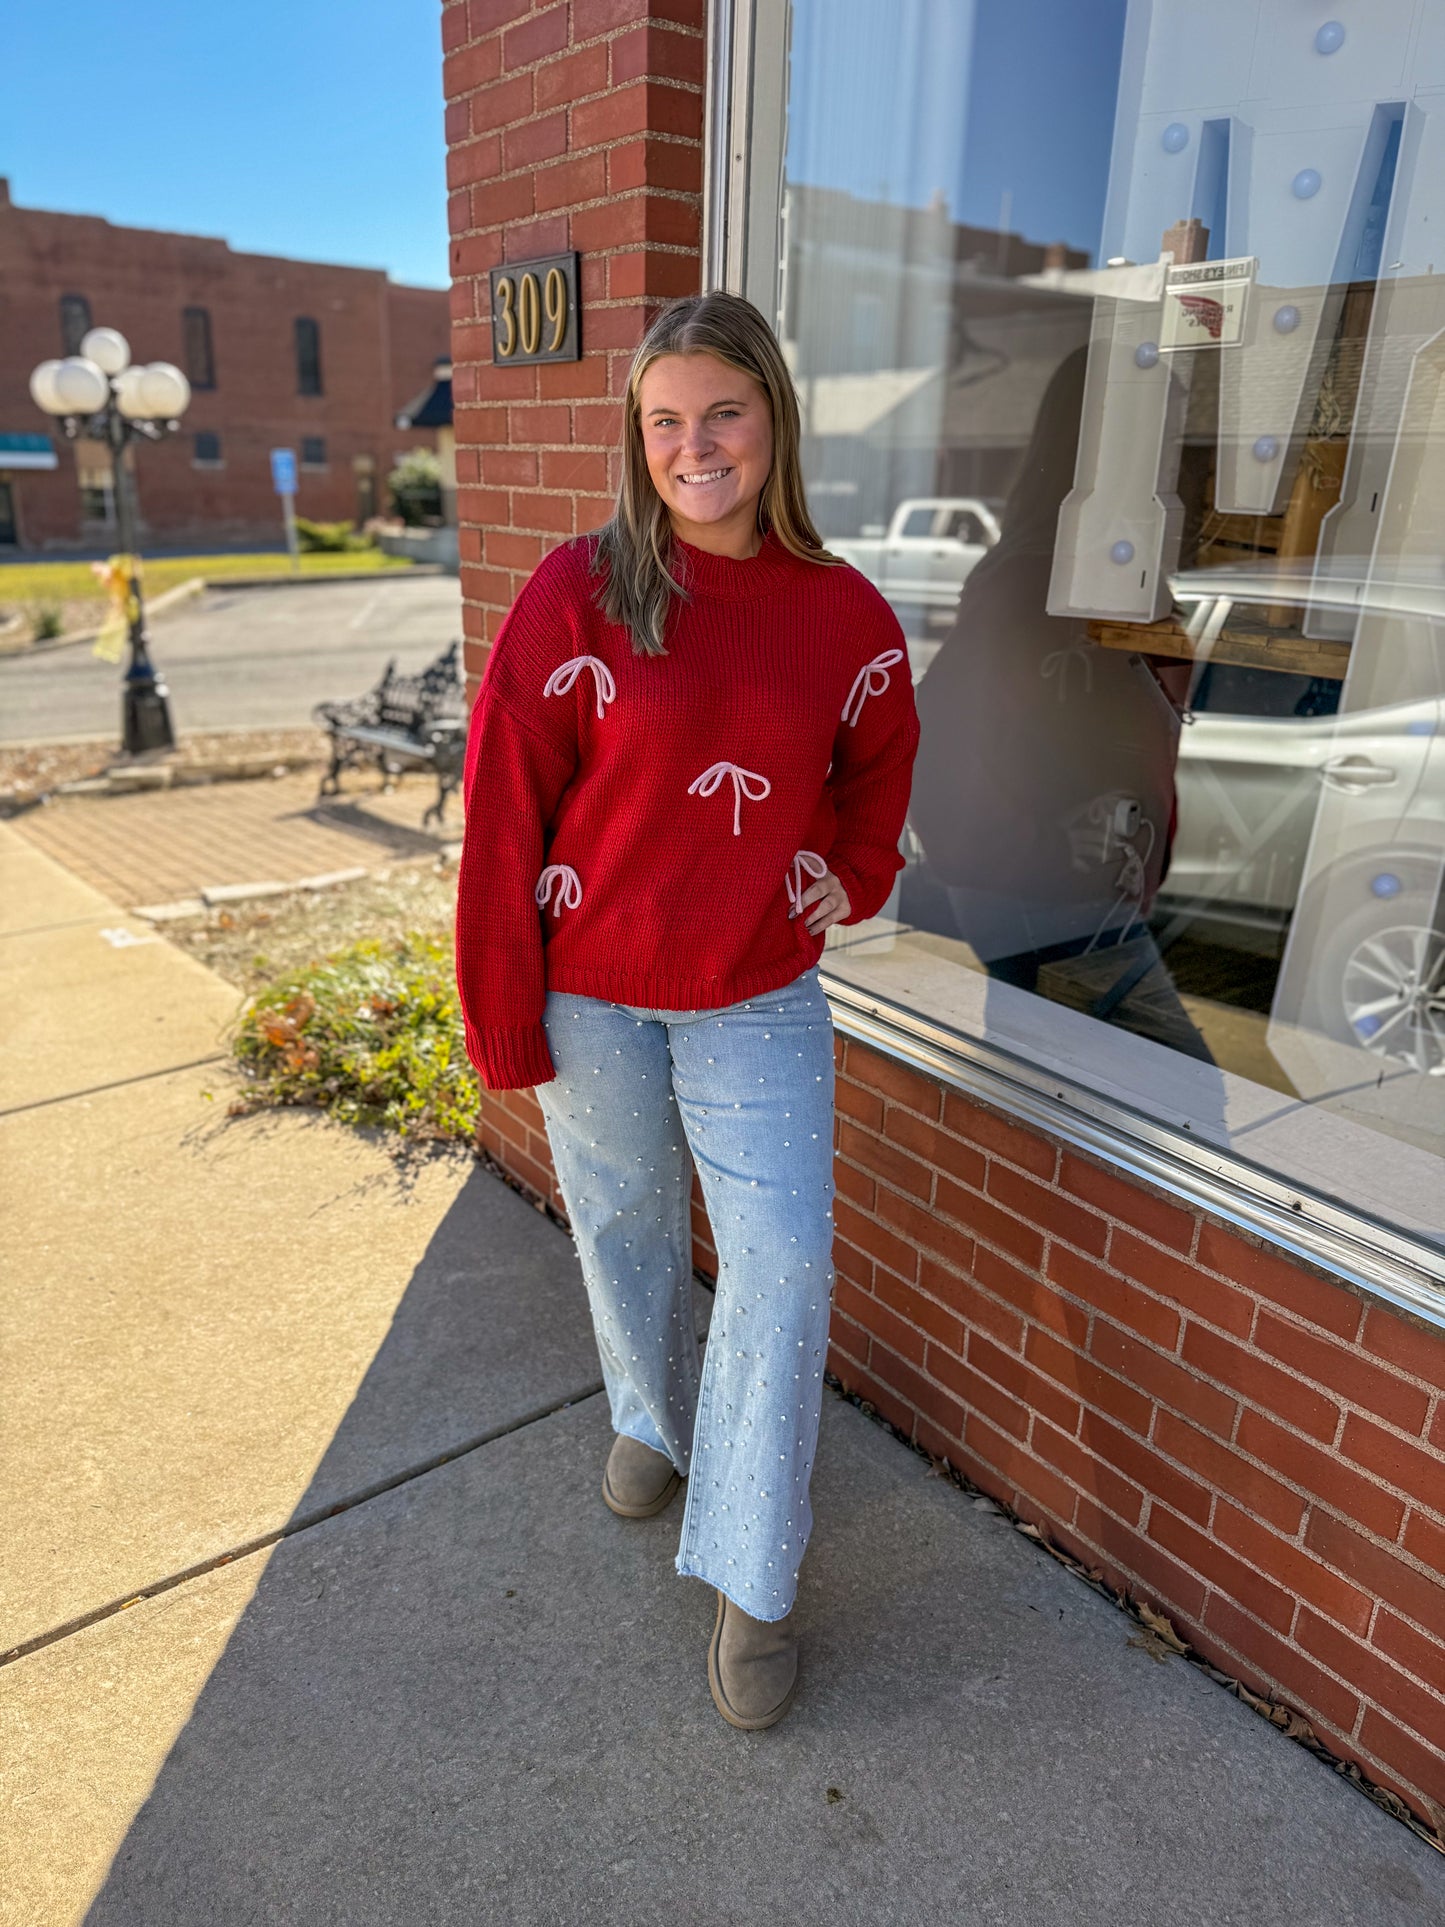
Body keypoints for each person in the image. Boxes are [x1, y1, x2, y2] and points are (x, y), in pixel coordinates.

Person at [453, 290, 920, 1730]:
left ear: (771, 419)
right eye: (663, 421)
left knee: (778, 1265)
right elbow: (502, 816)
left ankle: (751, 1576)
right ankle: (647, 1419)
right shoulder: (576, 592)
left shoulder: (838, 611)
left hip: (755, 990)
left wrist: (841, 874)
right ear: (635, 439)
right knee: (627, 1224)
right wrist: (503, 1017)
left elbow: (878, 755)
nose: (691, 446)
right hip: (591, 982)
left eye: (720, 411)